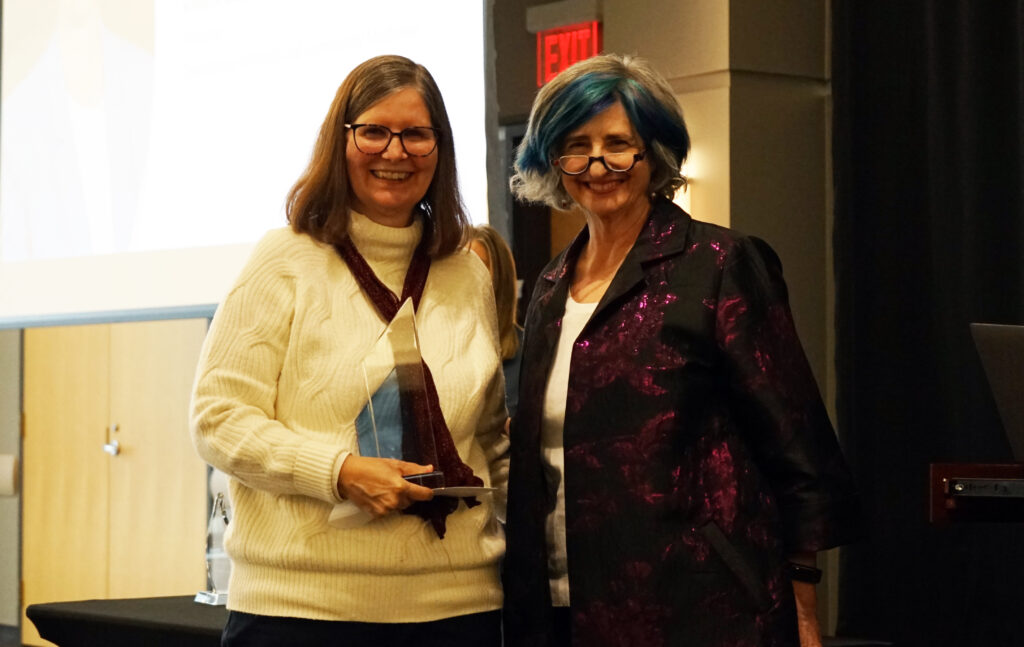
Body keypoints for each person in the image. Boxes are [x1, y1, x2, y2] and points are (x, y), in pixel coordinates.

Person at [502, 53, 862, 647]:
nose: (598, 164)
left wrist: (803, 601)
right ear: (551, 159)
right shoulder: (549, 286)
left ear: (656, 151)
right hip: (565, 604)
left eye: (619, 144)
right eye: (576, 146)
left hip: (701, 607)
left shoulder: (719, 264)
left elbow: (796, 445)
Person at [190, 55, 508, 647]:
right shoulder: (284, 260)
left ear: (440, 148)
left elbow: (487, 439)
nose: (396, 152)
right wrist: (338, 473)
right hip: (301, 612)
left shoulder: (467, 273)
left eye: (416, 134)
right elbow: (219, 420)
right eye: (374, 132)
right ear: (341, 141)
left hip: (459, 608)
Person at [469, 224, 524, 416]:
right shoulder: (438, 351)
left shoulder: (530, 353)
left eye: (478, 267)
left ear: (499, 278)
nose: (466, 278)